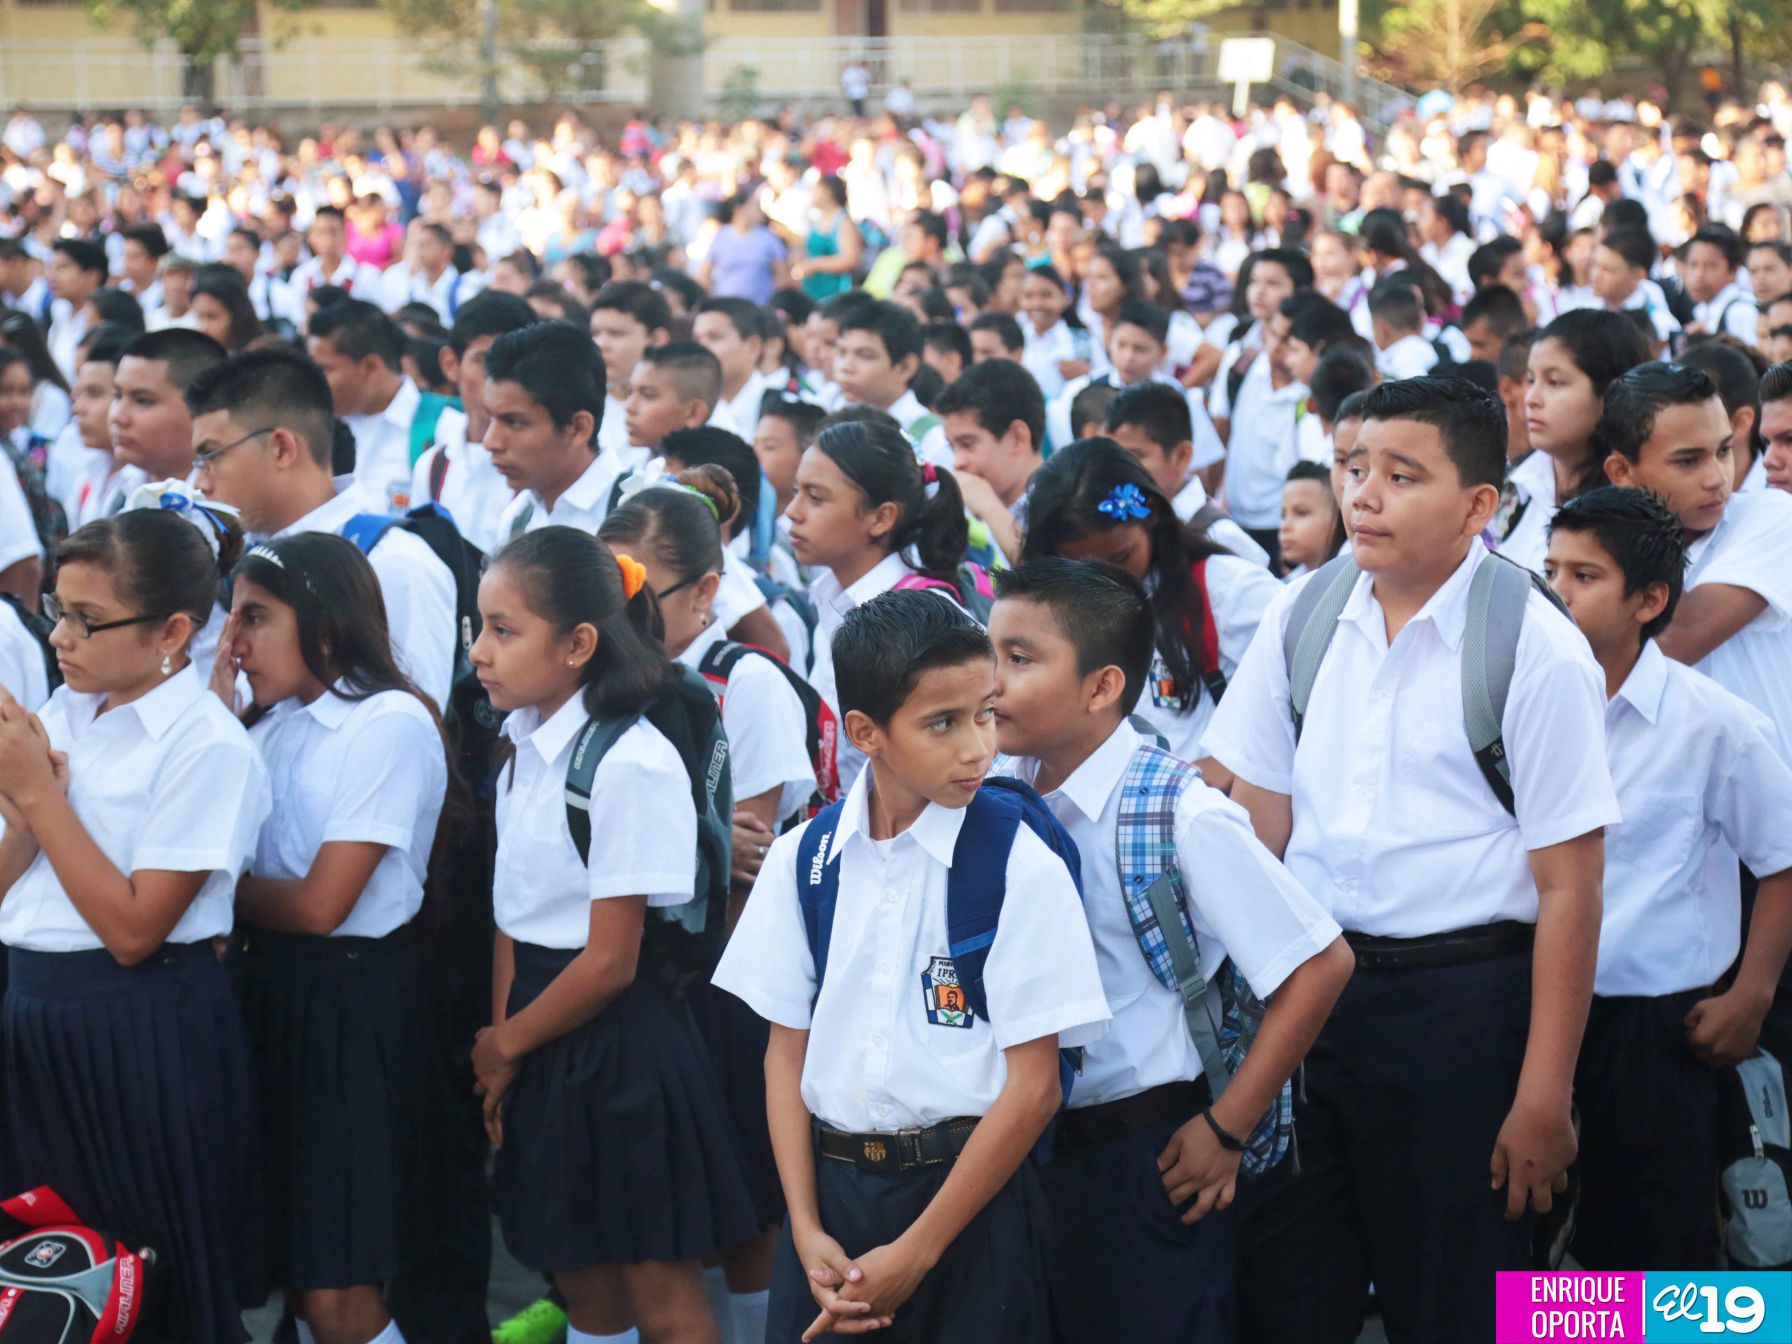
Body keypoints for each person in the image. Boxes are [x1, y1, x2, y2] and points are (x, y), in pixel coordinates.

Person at [1204, 377, 1619, 1344]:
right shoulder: (1307, 613)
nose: (1365, 496)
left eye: (1402, 475)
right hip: (1312, 995)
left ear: (1481, 505)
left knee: (1459, 1294)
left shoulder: (1532, 645)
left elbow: (1570, 888)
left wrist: (1542, 1095)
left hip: (1462, 1012)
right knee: (1293, 1283)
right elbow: (1257, 807)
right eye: (1355, 469)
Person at [712, 588, 1111, 1344]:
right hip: (831, 1203)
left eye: (986, 712)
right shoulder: (806, 859)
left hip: (970, 1205)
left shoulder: (1016, 863)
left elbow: (1032, 1090)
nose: (978, 747)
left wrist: (917, 1252)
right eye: (943, 723)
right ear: (865, 732)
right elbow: (784, 1055)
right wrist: (802, 1226)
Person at [988, 557, 1352, 1341]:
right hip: (1020, 1150)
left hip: (1141, 1153)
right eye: (989, 653)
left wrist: (1228, 1127)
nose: (991, 681)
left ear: (1102, 686)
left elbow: (1320, 964)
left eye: (1019, 659)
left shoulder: (1180, 811)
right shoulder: (996, 793)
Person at [468, 526, 760, 1344]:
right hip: (535, 1030)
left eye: (504, 630)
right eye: (480, 627)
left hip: (620, 1049)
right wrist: (505, 1047)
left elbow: (610, 961)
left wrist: (504, 1046)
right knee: (584, 1285)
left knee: (659, 1289)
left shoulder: (629, 760)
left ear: (579, 644)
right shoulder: (519, 746)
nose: (482, 652)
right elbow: (511, 917)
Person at [0, 509, 269, 1343]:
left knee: (150, 1283)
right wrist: (25, 809)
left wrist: (41, 797)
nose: (62, 638)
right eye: (58, 612)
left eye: (88, 620)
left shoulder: (206, 744)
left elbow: (134, 930)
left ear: (175, 630)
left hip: (140, 1028)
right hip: (34, 1012)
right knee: (45, 1281)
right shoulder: (66, 710)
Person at [1543, 486, 1792, 1270]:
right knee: (1540, 1241)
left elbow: (1783, 861)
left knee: (1659, 1246)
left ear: (1650, 599)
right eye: (1550, 571)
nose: (1556, 594)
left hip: (1656, 1028)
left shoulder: (1712, 722)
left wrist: (1750, 996)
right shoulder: (1524, 708)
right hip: (1538, 1011)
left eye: (1584, 577)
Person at [600, 470, 819, 1344]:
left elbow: (748, 855)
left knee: (747, 1214)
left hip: (726, 984)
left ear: (707, 592)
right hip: (633, 981)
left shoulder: (744, 682)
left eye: (644, 592)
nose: (626, 614)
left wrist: (710, 845)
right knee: (662, 1218)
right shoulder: (601, 679)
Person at [220, 533, 451, 1344]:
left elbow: (323, 903)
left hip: (348, 1005)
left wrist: (212, 893)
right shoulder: (265, 726)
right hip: (274, 994)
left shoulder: (386, 721)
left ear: (323, 619)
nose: (234, 641)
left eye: (255, 616)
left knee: (337, 1284)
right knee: (292, 1273)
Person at [187, 346, 457, 711]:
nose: (199, 482)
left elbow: (418, 728)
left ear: (282, 449)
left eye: (212, 456)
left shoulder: (392, 563)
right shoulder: (243, 558)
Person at [1021, 438, 1278, 783]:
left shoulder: (1226, 589)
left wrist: (1197, 779)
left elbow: (1292, 710)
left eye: (1121, 559)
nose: (1110, 580)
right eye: (1082, 567)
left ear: (1152, 516)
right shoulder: (1045, 612)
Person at [1599, 362, 1792, 769]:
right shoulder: (1593, 546)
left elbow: (1675, 638)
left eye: (1724, 451)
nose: (1717, 478)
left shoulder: (1774, 515)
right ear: (1621, 471)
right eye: (1688, 461)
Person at [788, 416, 974, 793]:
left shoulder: (923, 616)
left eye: (816, 497)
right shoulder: (832, 596)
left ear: (881, 517)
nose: (793, 511)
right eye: (796, 491)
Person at [1499, 309, 1651, 573]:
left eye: (1555, 382)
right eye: (1532, 380)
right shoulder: (1517, 484)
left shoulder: (1629, 512)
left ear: (1612, 394)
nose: (1531, 398)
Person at [409, 290, 535, 554]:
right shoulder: (433, 466)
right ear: (450, 364)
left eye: (511, 363)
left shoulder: (542, 469)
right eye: (485, 361)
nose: (497, 377)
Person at [484, 320, 634, 542]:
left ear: (578, 428)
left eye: (514, 422)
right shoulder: (517, 518)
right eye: (491, 418)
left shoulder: (639, 520)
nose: (490, 441)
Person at [1103, 382, 1270, 565]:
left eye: (1134, 455)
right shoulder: (1122, 522)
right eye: (1113, 455)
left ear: (1182, 456)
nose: (1118, 467)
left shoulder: (1221, 538)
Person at [308, 299, 429, 516]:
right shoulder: (316, 430)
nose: (315, 381)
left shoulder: (441, 428)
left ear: (370, 366)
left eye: (325, 369)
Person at [105, 326, 229, 509]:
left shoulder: (227, 505)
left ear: (202, 409)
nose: (118, 417)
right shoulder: (121, 490)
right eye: (117, 396)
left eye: (143, 401)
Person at [934, 358, 1044, 563]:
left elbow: (1055, 588)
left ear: (1017, 438)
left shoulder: (1072, 503)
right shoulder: (966, 512)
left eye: (967, 444)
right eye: (952, 447)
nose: (957, 462)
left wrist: (990, 508)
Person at [832, 300, 952, 466]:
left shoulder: (932, 440)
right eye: (841, 352)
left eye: (865, 355)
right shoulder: (831, 413)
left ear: (905, 367)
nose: (846, 367)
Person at [590, 281, 671, 459]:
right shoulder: (583, 403)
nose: (601, 345)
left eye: (616, 334)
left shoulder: (677, 408)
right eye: (595, 333)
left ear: (657, 339)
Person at [625, 342, 731, 456]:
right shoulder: (630, 468)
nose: (629, 406)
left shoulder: (715, 472)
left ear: (693, 413)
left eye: (648, 395)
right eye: (630, 392)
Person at [694, 298, 774, 439]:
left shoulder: (789, 410)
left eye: (714, 337)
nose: (701, 349)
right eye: (697, 340)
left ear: (753, 347)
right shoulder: (691, 411)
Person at [700, 194, 789, 309]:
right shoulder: (720, 236)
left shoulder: (768, 237)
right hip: (727, 306)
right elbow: (704, 273)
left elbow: (782, 274)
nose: (759, 211)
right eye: (754, 206)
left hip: (759, 306)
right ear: (739, 209)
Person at [1683, 225, 1760, 342]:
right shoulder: (1702, 309)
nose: (1699, 274)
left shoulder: (1740, 312)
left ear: (1733, 270)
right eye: (1693, 265)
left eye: (1711, 265)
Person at [1278, 460, 1346, 577]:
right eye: (1283, 515)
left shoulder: (1352, 582)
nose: (1285, 527)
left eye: (1301, 513)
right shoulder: (1287, 587)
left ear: (1337, 517)